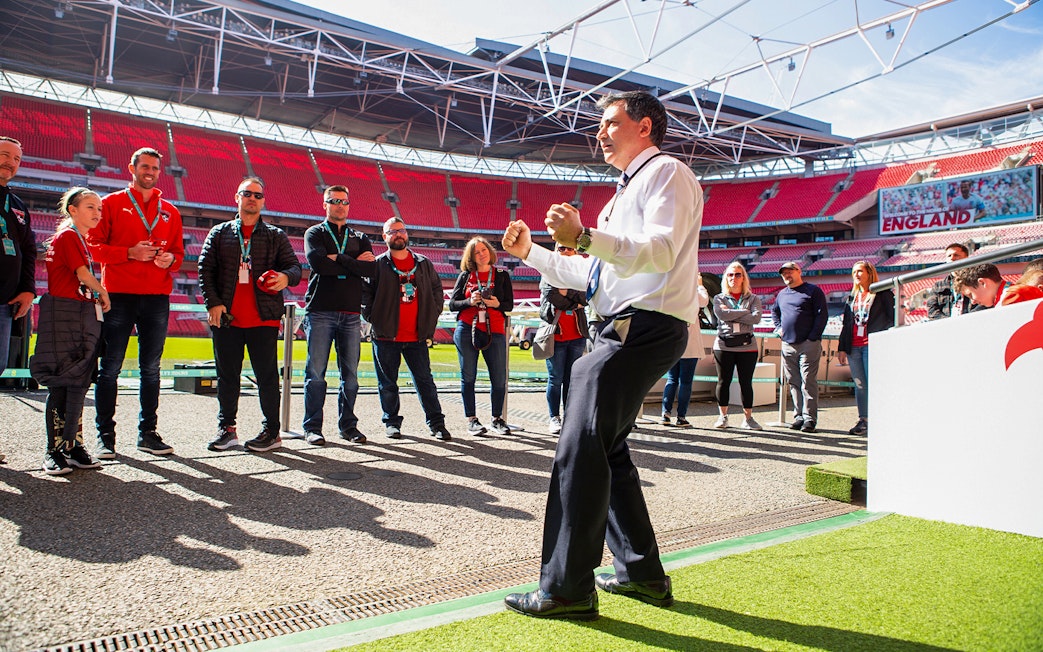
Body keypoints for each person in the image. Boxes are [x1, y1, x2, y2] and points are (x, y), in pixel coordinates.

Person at [501, 90, 702, 620]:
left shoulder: (668, 173)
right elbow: (591, 276)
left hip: (643, 325)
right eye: (601, 124)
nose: (600, 131)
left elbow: (659, 252)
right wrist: (533, 253)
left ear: (646, 125)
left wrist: (585, 235)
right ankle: (641, 574)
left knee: (580, 445)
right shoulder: (624, 192)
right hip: (626, 325)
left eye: (612, 122)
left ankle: (567, 586)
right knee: (605, 450)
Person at [88, 146, 184, 458]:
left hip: (156, 297)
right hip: (118, 295)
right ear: (132, 167)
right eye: (144, 166)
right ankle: (105, 435)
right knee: (110, 367)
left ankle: (148, 433)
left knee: (151, 369)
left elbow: (180, 255)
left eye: (155, 168)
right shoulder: (112, 203)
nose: (149, 172)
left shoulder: (171, 211)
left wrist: (170, 259)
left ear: (159, 171)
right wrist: (129, 252)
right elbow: (93, 246)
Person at [199, 177, 301, 453]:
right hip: (227, 318)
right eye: (247, 194)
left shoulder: (275, 235)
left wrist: (284, 277)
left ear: (263, 201)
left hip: (263, 318)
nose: (252, 199)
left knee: (267, 378)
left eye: (257, 195)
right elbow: (205, 270)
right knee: (227, 377)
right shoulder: (219, 233)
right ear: (237, 197)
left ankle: (271, 431)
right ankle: (227, 429)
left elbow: (294, 267)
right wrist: (213, 303)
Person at [30, 188, 110, 475]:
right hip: (65, 316)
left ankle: (73, 446)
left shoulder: (79, 238)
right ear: (72, 209)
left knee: (78, 381)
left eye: (99, 208)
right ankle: (53, 450)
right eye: (90, 207)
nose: (97, 213)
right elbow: (83, 275)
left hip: (78, 315)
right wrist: (103, 292)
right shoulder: (68, 236)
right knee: (63, 381)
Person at [296, 185, 375, 446]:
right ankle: (312, 427)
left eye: (344, 201)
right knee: (316, 373)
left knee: (350, 375)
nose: (340, 205)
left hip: (351, 313)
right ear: (325, 205)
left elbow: (370, 269)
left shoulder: (360, 236)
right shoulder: (314, 233)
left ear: (349, 206)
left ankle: (348, 426)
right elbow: (317, 264)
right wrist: (353, 261)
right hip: (320, 310)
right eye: (334, 201)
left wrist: (339, 258)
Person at [363, 217, 452, 441]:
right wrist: (375, 318)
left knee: (425, 382)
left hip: (417, 336)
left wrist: (432, 316)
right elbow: (365, 296)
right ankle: (392, 423)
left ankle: (436, 423)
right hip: (386, 336)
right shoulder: (378, 265)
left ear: (407, 234)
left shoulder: (423, 263)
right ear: (384, 237)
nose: (397, 234)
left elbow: (436, 291)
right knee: (388, 384)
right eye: (392, 232)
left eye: (401, 230)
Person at [448, 236, 513, 437]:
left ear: (490, 252)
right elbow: (452, 305)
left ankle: (497, 419)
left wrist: (495, 304)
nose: (482, 254)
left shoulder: (502, 274)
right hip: (468, 327)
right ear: (471, 256)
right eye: (477, 252)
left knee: (499, 377)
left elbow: (508, 305)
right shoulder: (466, 276)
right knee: (468, 376)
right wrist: (469, 301)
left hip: (495, 330)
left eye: (484, 250)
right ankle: (472, 420)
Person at [0, 136, 36, 466]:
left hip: (3, 302)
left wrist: (27, 289)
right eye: (5, 155)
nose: (10, 162)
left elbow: (27, 250)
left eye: (16, 159)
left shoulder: (17, 206)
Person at [837, 261, 895, 437]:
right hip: (854, 346)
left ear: (870, 273)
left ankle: (882, 419)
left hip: (873, 345)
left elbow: (892, 318)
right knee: (860, 385)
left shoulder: (882, 292)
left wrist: (885, 338)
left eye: (860, 271)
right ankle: (864, 420)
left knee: (875, 383)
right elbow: (846, 325)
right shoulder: (851, 298)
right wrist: (841, 348)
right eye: (854, 271)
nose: (856, 275)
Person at [771, 261, 827, 433]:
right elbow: (775, 312)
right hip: (788, 344)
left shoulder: (813, 291)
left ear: (798, 271)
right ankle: (798, 416)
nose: (787, 275)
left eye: (790, 272)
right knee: (794, 382)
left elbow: (822, 314)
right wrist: (778, 329)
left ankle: (810, 418)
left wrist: (813, 337)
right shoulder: (781, 294)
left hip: (808, 344)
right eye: (784, 273)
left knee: (808, 381)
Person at [539, 245, 589, 435]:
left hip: (577, 335)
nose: (566, 251)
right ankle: (554, 417)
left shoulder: (582, 272)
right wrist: (574, 298)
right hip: (556, 334)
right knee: (555, 379)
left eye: (569, 249)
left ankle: (570, 417)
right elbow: (552, 297)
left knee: (572, 380)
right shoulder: (547, 273)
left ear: (576, 253)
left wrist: (566, 292)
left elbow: (586, 297)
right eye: (561, 249)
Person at [711, 263, 762, 430]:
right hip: (724, 344)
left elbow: (756, 318)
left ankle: (748, 419)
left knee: (746, 382)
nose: (734, 278)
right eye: (731, 275)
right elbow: (722, 315)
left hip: (748, 345)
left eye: (738, 274)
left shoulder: (753, 298)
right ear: (726, 277)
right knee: (723, 381)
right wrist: (744, 312)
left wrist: (733, 314)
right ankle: (723, 417)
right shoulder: (719, 298)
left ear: (744, 277)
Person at [662, 274, 709, 427]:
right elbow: (704, 300)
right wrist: (699, 284)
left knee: (672, 379)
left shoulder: (670, 293)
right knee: (686, 382)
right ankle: (681, 417)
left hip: (672, 343)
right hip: (690, 343)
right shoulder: (691, 292)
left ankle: (665, 413)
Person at [952, 262, 1040, 308]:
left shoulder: (1012, 296)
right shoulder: (1010, 294)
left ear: (982, 282)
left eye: (971, 295)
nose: (973, 302)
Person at [925, 243, 973, 320]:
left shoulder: (975, 280)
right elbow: (932, 311)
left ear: (966, 258)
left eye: (956, 255)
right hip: (946, 327)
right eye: (949, 256)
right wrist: (949, 322)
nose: (952, 258)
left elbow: (982, 305)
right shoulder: (938, 286)